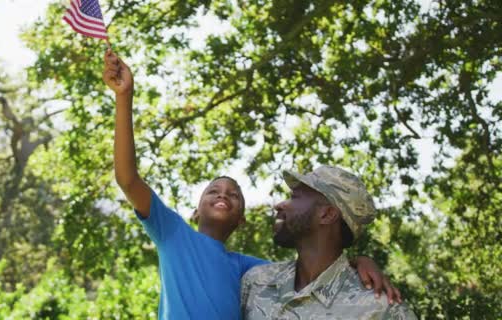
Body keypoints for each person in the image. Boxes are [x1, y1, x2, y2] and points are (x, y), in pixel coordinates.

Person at [102, 50, 400, 320]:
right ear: (194, 212)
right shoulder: (174, 234)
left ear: (242, 220)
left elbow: (315, 270)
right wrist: (124, 97)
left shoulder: (251, 273)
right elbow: (127, 179)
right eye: (214, 191)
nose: (223, 195)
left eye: (234, 195)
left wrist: (359, 262)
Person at [241, 166, 418, 319]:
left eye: (295, 197)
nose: (279, 205)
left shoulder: (380, 308)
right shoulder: (257, 282)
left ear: (327, 215)